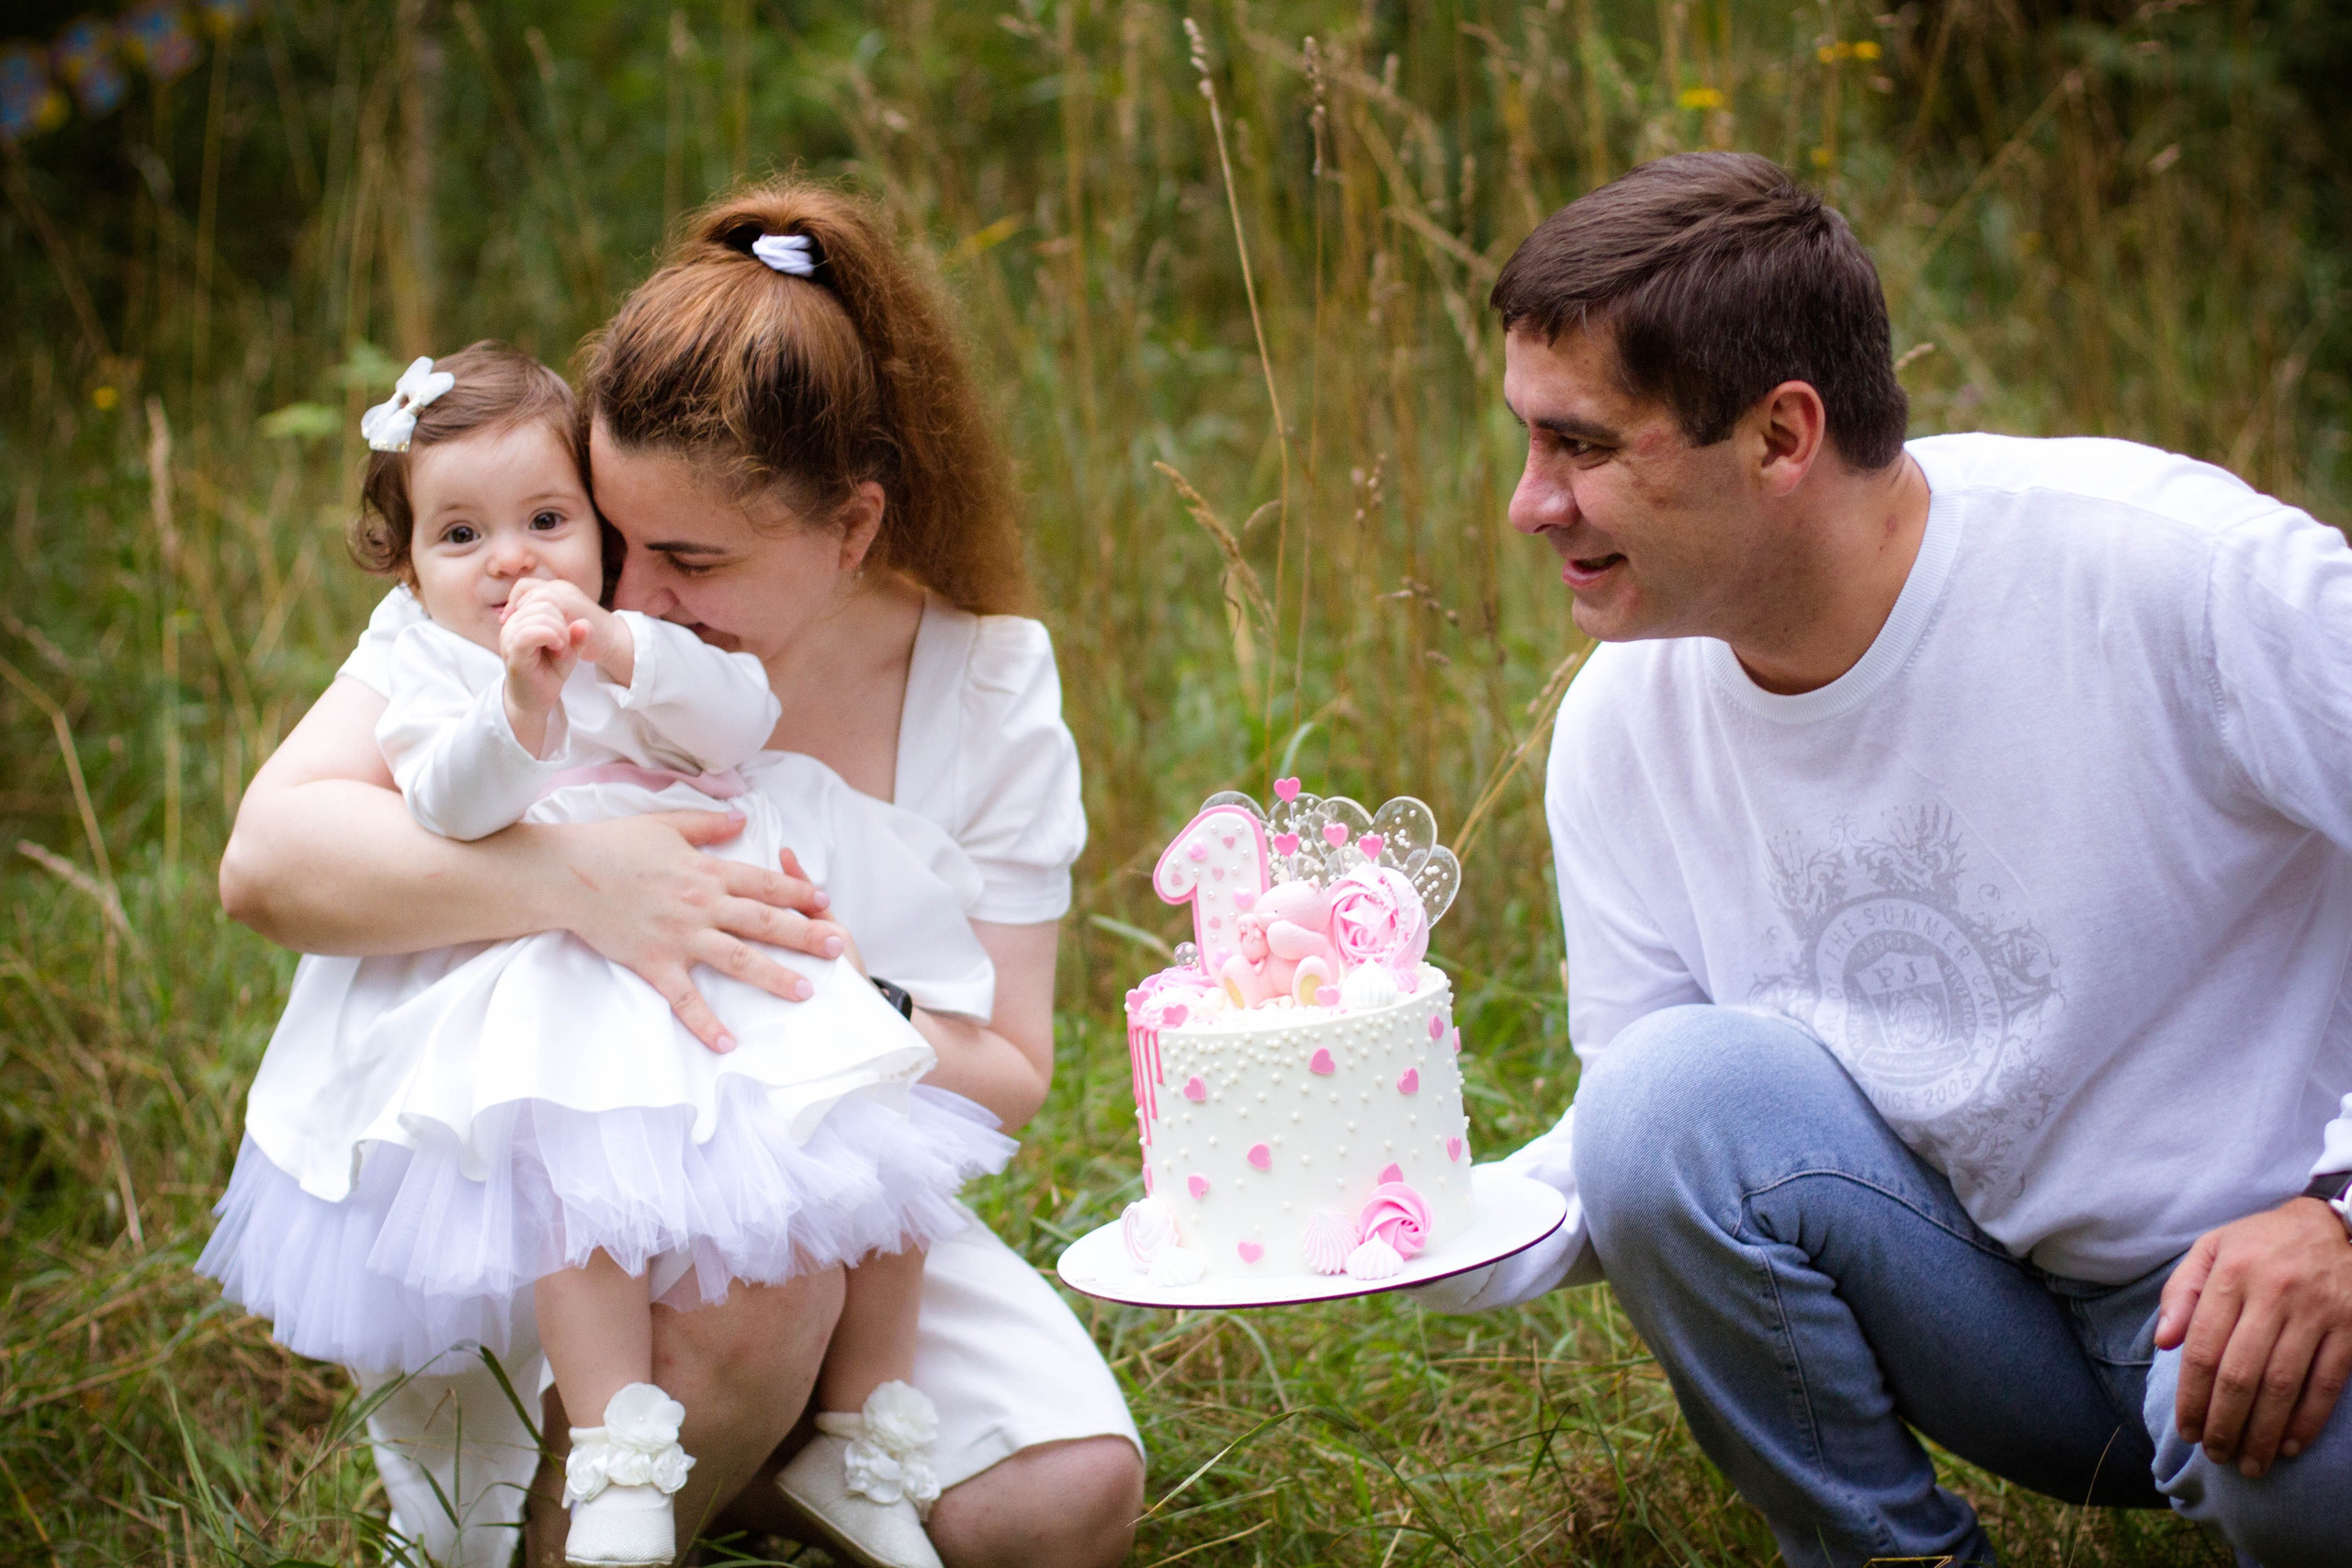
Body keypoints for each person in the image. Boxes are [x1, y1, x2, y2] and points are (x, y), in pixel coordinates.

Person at [1411, 151, 2352, 1568]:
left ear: (1784, 435)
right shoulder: (1623, 720)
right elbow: (1653, 1135)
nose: (1528, 504)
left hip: (2267, 1284)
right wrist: (1384, 1226)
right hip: (1988, 1312)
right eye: (1528, 444)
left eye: (1584, 446)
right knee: (1669, 1094)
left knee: (2309, 1482)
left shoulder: (2176, 574)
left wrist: (2345, 1218)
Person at [217, 183, 1144, 1568]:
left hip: (824, 1147)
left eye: (692, 557)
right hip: (544, 1179)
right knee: (763, 1292)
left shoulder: (986, 683)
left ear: (852, 527)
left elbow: (1008, 1059)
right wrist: (584, 882)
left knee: (1060, 1501)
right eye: (613, 527)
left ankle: (766, 1456)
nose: (628, 597)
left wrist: (809, 1012)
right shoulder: (510, 615)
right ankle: (607, 1496)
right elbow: (269, 863)